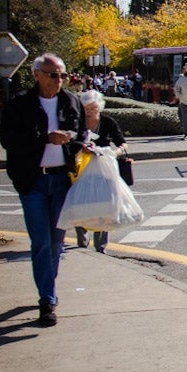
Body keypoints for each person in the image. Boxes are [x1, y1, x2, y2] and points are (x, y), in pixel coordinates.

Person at [0, 53, 88, 327]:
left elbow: (82, 132)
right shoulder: (19, 105)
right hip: (32, 181)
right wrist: (45, 139)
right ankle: (47, 300)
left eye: (62, 75)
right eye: (53, 75)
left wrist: (74, 140)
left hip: (62, 180)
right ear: (37, 74)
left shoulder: (71, 101)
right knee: (41, 242)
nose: (58, 80)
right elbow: (9, 141)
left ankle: (47, 285)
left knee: (57, 242)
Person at [74, 90, 127, 254]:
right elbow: (70, 142)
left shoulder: (108, 122)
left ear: (100, 108)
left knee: (103, 206)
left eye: (93, 108)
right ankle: (82, 236)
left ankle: (100, 245)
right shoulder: (77, 123)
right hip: (81, 168)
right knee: (80, 204)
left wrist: (113, 153)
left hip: (103, 169)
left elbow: (123, 144)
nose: (89, 112)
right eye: (86, 109)